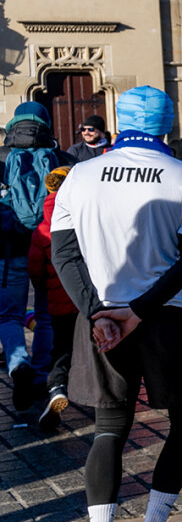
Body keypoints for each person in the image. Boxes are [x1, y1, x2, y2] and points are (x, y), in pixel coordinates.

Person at [49, 86, 182, 522]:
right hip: (169, 315)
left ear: (121, 122)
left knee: (108, 427)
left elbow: (64, 252)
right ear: (166, 124)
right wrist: (140, 309)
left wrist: (98, 311)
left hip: (103, 315)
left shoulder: (80, 174)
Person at [1, 101, 73, 413]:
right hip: (51, 248)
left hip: (8, 249)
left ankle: (18, 365)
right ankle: (43, 376)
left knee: (9, 314)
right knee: (45, 315)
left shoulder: (1, 158)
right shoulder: (62, 159)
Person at [27, 162, 76, 432]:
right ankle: (96, 389)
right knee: (95, 345)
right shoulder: (82, 217)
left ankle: (57, 386)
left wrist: (45, 291)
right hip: (86, 301)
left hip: (58, 301)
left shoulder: (42, 228)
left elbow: (35, 268)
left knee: (61, 348)